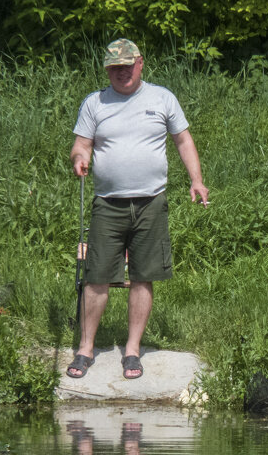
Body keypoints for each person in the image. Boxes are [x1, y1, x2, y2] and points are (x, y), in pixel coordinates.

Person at [67, 38, 209, 380]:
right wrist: (79, 159)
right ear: (107, 70)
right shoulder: (95, 103)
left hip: (151, 202)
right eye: (114, 68)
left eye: (127, 66)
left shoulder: (162, 98)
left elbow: (183, 140)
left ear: (140, 64)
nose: (121, 73)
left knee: (143, 276)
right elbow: (81, 144)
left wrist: (196, 180)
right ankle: (85, 349)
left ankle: (132, 350)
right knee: (97, 276)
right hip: (107, 203)